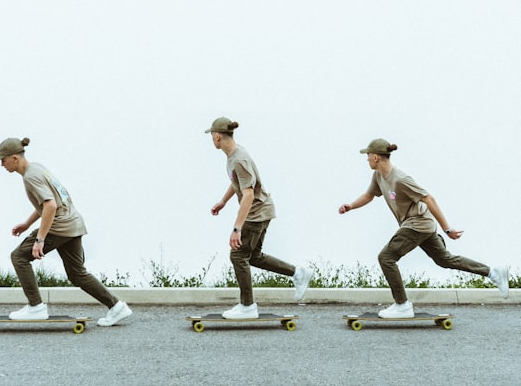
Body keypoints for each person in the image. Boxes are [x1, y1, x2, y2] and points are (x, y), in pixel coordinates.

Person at [338, 138, 509, 318]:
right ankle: (493, 272)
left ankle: (402, 305)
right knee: (445, 260)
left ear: (376, 157)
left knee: (386, 257)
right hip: (420, 226)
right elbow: (369, 195)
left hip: (417, 224)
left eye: (368, 155)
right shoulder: (379, 176)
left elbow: (429, 199)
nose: (366, 159)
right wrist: (350, 206)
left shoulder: (401, 179)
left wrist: (447, 228)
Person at [0, 136, 132, 327]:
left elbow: (50, 206)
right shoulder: (37, 168)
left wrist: (40, 239)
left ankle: (36, 307)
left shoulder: (31, 176)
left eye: (3, 159)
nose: (1, 164)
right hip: (73, 223)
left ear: (15, 158)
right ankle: (116, 307)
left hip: (60, 226)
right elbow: (49, 202)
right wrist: (27, 223)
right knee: (76, 273)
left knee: (19, 257)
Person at [206, 117, 312, 318]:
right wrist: (224, 201)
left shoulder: (239, 159)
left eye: (211, 136)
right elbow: (238, 182)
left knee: (238, 255)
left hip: (256, 212)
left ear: (217, 136)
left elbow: (248, 194)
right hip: (261, 210)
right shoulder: (235, 155)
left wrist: (237, 228)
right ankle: (298, 273)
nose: (211, 139)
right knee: (252, 256)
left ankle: (247, 306)